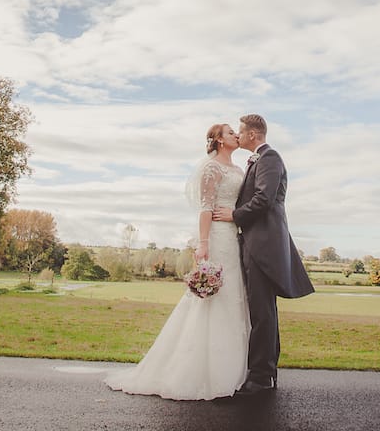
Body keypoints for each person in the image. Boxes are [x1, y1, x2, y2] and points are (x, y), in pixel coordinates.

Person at [105, 123, 250, 401]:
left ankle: (232, 369)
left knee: (233, 296)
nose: (235, 135)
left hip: (233, 237)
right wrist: (203, 243)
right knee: (212, 298)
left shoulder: (238, 170)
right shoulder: (211, 168)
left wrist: (236, 216)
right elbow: (206, 207)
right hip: (217, 237)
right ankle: (196, 369)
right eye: (230, 132)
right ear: (219, 140)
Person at [212, 113, 314, 397]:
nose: (239, 136)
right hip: (255, 244)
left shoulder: (269, 158)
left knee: (262, 312)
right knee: (263, 311)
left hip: (263, 246)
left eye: (241, 132)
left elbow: (263, 199)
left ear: (252, 136)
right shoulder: (258, 159)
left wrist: (234, 215)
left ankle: (260, 378)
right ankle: (265, 373)